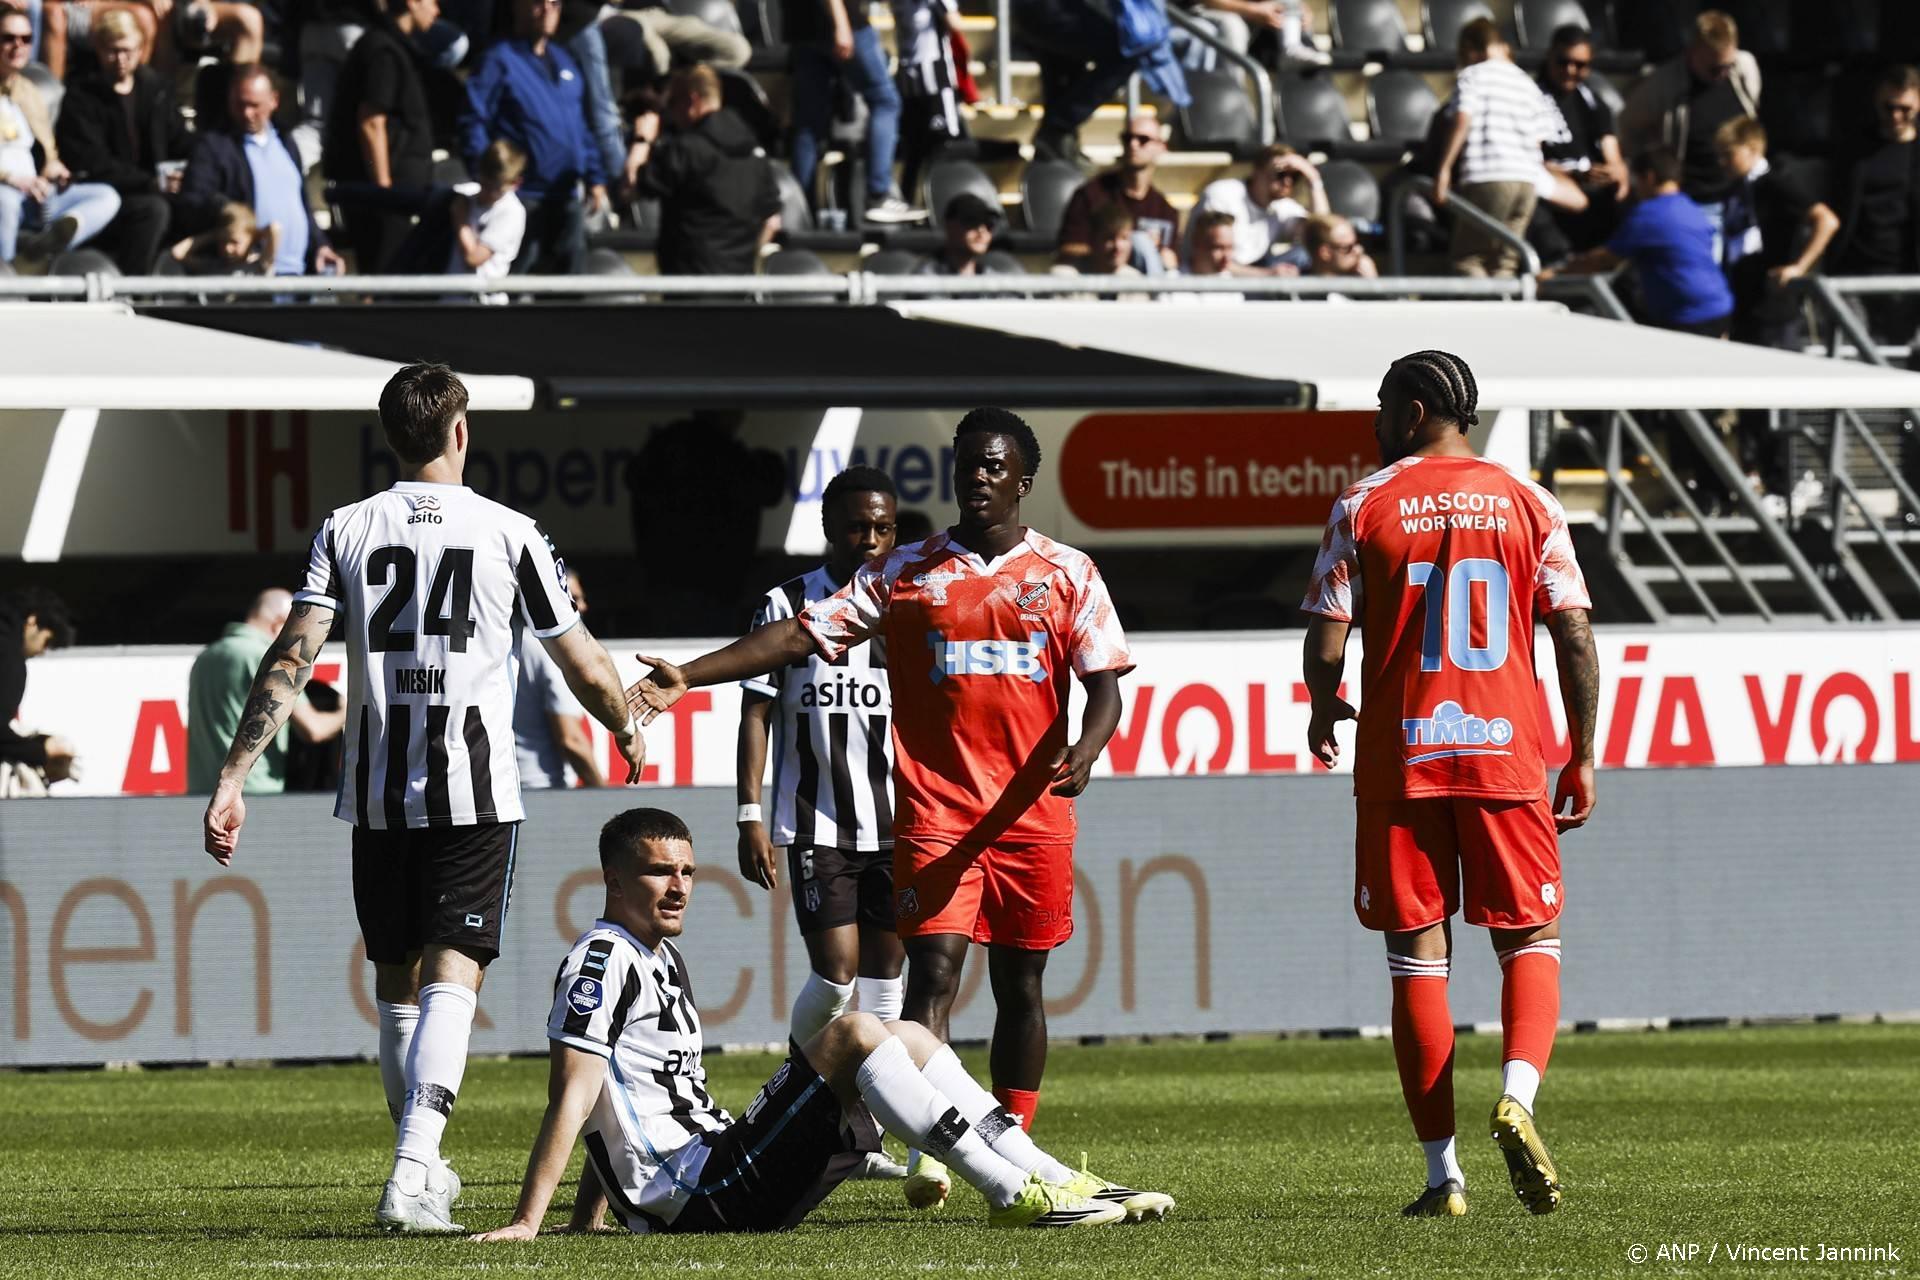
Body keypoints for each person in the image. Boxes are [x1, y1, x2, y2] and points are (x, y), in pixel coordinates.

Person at [627, 408, 1134, 1209]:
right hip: (932, 813)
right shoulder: (907, 571)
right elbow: (797, 637)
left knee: (1022, 986)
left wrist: (1090, 745)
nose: (977, 477)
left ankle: (1016, 1137)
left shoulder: (1068, 573)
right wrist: (690, 674)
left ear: (1022, 481)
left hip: (1032, 814)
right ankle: (941, 1153)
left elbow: (1104, 684)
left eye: (994, 466)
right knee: (929, 976)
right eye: (966, 463)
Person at [201, 362, 645, 1234]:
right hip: (472, 791)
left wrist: (231, 776)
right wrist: (625, 723)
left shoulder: (346, 527)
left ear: (390, 437)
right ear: (461, 432)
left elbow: (291, 657)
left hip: (375, 793)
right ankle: (411, 1172)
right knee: (454, 978)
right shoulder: (513, 532)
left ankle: (423, 1168)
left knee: (398, 987)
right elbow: (581, 659)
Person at [471, 808, 1170, 1241]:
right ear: (613, 882)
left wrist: (591, 1217)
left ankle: (1058, 1180)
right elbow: (573, 1094)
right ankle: (1012, 1194)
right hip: (703, 1193)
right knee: (857, 1031)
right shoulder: (601, 961)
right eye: (659, 872)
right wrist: (532, 1223)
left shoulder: (657, 955)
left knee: (911, 1037)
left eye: (686, 870)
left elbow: (617, 1096)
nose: (679, 886)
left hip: (715, 1170)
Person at [1299, 349, 1599, 1219]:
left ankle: (1444, 1177)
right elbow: (1573, 631)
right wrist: (1580, 750)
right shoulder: (1528, 500)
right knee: (1531, 938)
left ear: (1418, 406)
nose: (1375, 421)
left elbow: (1327, 636)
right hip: (1506, 754)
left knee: (1415, 961)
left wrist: (1326, 705)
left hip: (1403, 760)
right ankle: (1519, 1096)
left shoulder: (1364, 501)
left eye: (1385, 404)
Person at [736, 466, 905, 1181]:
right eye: (856, 527)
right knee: (837, 977)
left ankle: (870, 1129)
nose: (869, 540)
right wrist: (749, 811)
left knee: (888, 976)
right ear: (829, 529)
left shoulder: (906, 604)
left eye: (883, 528)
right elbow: (755, 711)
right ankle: (796, 1101)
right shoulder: (784, 602)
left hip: (899, 824)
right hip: (817, 824)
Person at [460, 0, 610, 275]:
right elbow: (473, 122)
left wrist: (595, 177)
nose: (547, 8)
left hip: (565, 197)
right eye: (538, 2)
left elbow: (579, 126)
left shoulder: (565, 61)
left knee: (567, 295)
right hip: (521, 198)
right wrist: (488, 176)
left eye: (554, 2)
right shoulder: (498, 60)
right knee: (514, 292)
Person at [52, 7, 190, 274]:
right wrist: (148, 182)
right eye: (112, 51)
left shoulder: (156, 90)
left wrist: (189, 172)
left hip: (155, 188)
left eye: (127, 51)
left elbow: (179, 139)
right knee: (153, 211)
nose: (121, 59)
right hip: (109, 198)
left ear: (140, 50)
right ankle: (135, 293)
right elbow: (92, 163)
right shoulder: (82, 96)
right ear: (98, 49)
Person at [1431, 18, 1568, 278]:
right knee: (1504, 262)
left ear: (1471, 50)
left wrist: (1444, 169)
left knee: (1468, 259)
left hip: (1489, 175)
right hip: (1526, 182)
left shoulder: (1474, 75)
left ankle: (1477, 316)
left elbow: (1462, 119)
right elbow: (1538, 140)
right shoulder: (1527, 83)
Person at [1548, 147, 1734, 337]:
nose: (1635, 187)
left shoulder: (1649, 214)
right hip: (1719, 305)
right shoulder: (1689, 207)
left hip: (1688, 316)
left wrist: (1556, 273)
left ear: (1650, 177)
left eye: (1636, 180)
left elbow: (1603, 259)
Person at [180, 64, 345, 276]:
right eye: (239, 104)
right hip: (251, 276)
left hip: (299, 273)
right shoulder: (214, 147)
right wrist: (234, 214)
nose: (247, 113)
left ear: (273, 100)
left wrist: (322, 245)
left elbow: (301, 204)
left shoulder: (286, 143)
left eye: (254, 105)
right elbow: (194, 200)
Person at [1618, 9, 1758, 251]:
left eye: (1728, 65)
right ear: (1692, 52)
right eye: (1714, 68)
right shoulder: (1660, 85)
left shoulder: (1744, 67)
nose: (1722, 74)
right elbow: (1626, 130)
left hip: (1739, 197)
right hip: (1694, 200)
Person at [186, 588, 347, 795]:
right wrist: (345, 710)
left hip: (201, 791)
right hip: (253, 791)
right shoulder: (265, 658)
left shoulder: (206, 657)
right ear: (280, 623)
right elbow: (313, 729)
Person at [627, 63, 781, 276]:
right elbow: (772, 221)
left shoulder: (686, 149)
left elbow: (631, 187)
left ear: (692, 101)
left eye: (672, 103)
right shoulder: (753, 150)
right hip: (739, 283)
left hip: (690, 285)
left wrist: (642, 139)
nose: (669, 114)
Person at [0, 3, 122, 265]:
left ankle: (39, 254)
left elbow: (48, 151)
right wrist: (11, 178)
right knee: (4, 202)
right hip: (5, 192)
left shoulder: (29, 92)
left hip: (37, 195)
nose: (18, 46)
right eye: (8, 38)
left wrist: (54, 171)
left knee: (106, 196)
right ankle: (7, 285)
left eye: (26, 39)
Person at [323, 0, 437, 273]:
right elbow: (371, 122)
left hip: (395, 195)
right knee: (384, 280)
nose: (437, 10)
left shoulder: (393, 47)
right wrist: (383, 190)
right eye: (432, 1)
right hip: (385, 199)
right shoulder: (383, 50)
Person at [783, 0, 920, 224]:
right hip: (841, 24)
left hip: (801, 29)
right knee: (885, 101)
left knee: (808, 123)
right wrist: (842, 24)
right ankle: (879, 195)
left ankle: (801, 204)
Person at [1716, 117, 1837, 351]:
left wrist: (1799, 267)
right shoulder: (1735, 189)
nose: (1722, 162)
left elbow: (1826, 220)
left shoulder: (1776, 183)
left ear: (1752, 150)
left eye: (1728, 154)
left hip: (1773, 306)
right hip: (1741, 302)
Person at [1830, 66, 1920, 346]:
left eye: (1904, 109)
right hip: (1853, 271)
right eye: (1888, 107)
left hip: (1904, 278)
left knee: (1896, 362)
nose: (1895, 116)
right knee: (1851, 363)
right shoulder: (1856, 146)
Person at [1532, 24, 1626, 258]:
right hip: (1553, 201)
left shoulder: (1592, 102)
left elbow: (1613, 156)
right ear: (1549, 55)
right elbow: (1528, 161)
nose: (1570, 70)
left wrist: (1611, 173)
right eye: (1563, 62)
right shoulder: (1530, 97)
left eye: (1580, 65)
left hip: (1596, 200)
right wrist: (1573, 174)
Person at [514, 568, 603, 788]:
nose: (583, 606)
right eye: (574, 597)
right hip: (541, 786)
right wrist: (604, 794)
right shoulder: (551, 650)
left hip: (496, 787)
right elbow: (571, 741)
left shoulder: (506, 640)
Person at [1057, 112, 1180, 272]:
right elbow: (1068, 248)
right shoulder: (1092, 194)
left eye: (1143, 140)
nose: (1133, 144)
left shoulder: (1165, 210)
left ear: (1161, 147)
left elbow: (1170, 258)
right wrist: (1116, 250)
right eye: (1128, 138)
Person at [1189, 143, 1324, 273]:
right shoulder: (1223, 194)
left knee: (1309, 254)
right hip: (1217, 279)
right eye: (1280, 174)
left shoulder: (1283, 206)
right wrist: (1267, 276)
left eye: (1295, 176)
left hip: (1255, 275)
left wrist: (1314, 180)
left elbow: (1322, 235)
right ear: (1257, 171)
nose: (1287, 182)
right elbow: (1211, 259)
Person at [0, 587, 77, 794]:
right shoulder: (9, 660)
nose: (42, 651)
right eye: (47, 641)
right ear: (32, 622)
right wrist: (43, 752)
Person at [889, 0, 967, 203]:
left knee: (915, 152)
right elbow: (956, 23)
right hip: (934, 80)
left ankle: (913, 201)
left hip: (909, 78)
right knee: (943, 145)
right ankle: (938, 204)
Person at [447, 139, 528, 299]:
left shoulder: (511, 211)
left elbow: (473, 258)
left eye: (496, 188)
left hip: (485, 304)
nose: (489, 193)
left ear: (515, 183)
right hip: (450, 299)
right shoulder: (465, 194)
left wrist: (461, 221)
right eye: (485, 184)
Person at [913, 191, 1011, 275]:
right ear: (949, 225)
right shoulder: (927, 276)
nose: (982, 231)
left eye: (989, 224)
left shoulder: (990, 277)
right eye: (972, 221)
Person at [168, 198, 274, 273]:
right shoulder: (214, 266)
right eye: (222, 241)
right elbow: (177, 252)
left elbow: (274, 229)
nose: (227, 248)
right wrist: (212, 236)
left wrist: (256, 236)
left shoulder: (258, 264)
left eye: (234, 242)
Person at [1301, 212, 1377, 277]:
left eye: (1357, 244)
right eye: (1347, 248)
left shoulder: (1359, 280)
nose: (1358, 250)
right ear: (1325, 253)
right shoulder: (1298, 288)